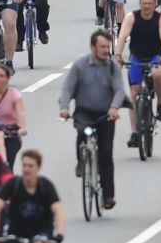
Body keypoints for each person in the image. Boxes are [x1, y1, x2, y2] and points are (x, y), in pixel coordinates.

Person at [56, 31, 130, 212]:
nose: (106, 50)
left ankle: (108, 195)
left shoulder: (112, 66)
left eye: (107, 46)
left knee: (105, 154)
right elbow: (67, 88)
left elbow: (120, 90)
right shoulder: (80, 65)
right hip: (84, 113)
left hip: (106, 115)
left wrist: (114, 107)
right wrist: (64, 108)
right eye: (102, 47)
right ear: (93, 48)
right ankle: (81, 162)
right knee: (83, 132)